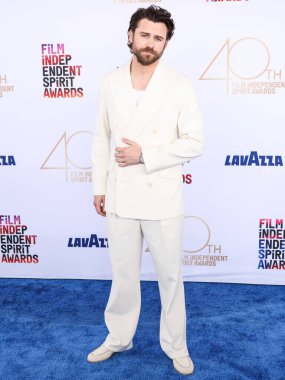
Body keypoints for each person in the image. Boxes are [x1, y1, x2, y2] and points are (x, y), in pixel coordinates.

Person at [88, 5, 204, 376]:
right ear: (130, 36)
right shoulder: (110, 81)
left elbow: (194, 142)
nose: (150, 43)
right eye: (144, 34)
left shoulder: (179, 84)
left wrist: (145, 155)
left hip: (162, 194)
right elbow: (100, 138)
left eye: (158, 37)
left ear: (165, 42)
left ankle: (176, 345)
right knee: (123, 275)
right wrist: (99, 186)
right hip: (120, 193)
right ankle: (119, 337)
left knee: (170, 277)